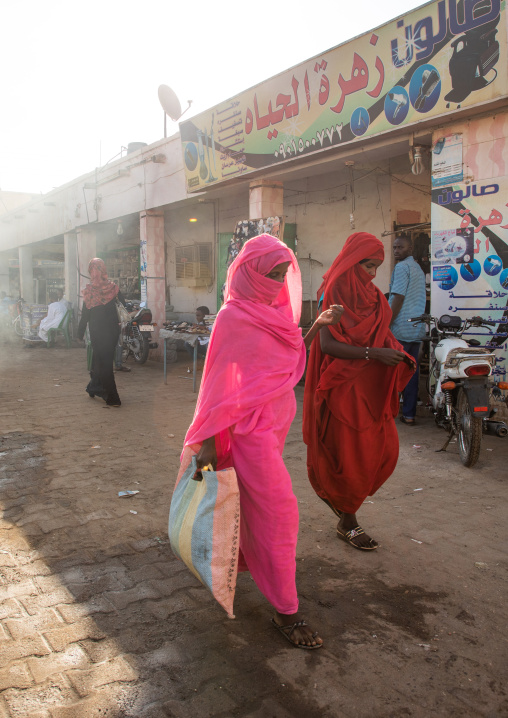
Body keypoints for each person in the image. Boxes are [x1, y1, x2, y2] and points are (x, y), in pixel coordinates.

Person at [183, 234, 343, 649]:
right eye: (269, 273)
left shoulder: (272, 315)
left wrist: (313, 329)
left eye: (280, 274)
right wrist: (208, 444)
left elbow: (283, 359)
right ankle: (286, 611)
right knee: (280, 512)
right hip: (244, 436)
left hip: (271, 434)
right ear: (249, 273)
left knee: (254, 511)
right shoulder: (233, 317)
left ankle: (241, 571)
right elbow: (218, 388)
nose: (275, 282)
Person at [303, 232, 415, 551]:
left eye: (377, 267)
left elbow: (383, 337)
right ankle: (348, 520)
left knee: (382, 451)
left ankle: (343, 508)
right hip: (341, 387)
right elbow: (328, 344)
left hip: (369, 389)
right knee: (348, 456)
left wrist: (395, 353)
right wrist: (374, 354)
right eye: (368, 265)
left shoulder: (376, 297)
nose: (373, 273)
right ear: (353, 262)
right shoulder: (334, 291)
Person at [388, 235, 427, 426]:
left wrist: (385, 323)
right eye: (394, 247)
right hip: (416, 329)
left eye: (400, 247)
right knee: (411, 372)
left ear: (410, 248)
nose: (396, 251)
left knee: (393, 372)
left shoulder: (402, 268)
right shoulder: (418, 268)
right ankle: (409, 414)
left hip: (400, 328)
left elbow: (398, 298)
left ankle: (388, 412)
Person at [77, 258, 124, 407]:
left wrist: (79, 333)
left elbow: (85, 315)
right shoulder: (113, 288)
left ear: (91, 272)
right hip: (112, 331)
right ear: (104, 270)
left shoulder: (90, 291)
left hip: (97, 332)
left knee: (104, 364)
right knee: (101, 360)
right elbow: (123, 305)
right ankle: (93, 387)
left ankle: (113, 397)